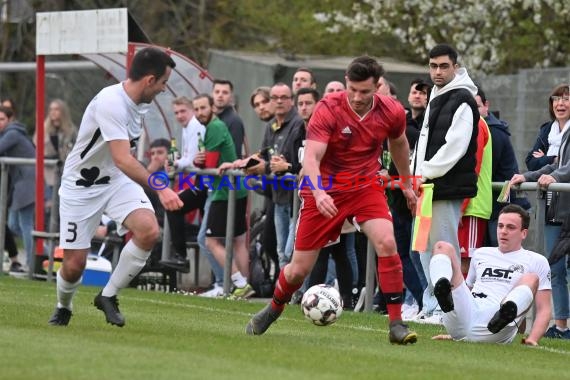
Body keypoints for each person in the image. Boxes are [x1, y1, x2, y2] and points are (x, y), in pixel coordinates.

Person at [245, 56, 418, 344]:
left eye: (365, 91)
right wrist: (319, 191)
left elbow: (398, 143)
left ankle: (396, 323)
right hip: (323, 188)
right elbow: (311, 157)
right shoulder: (328, 108)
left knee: (387, 242)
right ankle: (274, 308)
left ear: (378, 87)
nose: (357, 97)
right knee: (299, 268)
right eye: (353, 89)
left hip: (365, 186)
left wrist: (406, 183)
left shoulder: (392, 111)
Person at [48, 47, 183, 327]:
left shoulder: (140, 102)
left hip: (115, 181)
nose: (164, 89)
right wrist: (161, 187)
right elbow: (123, 159)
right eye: (163, 82)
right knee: (74, 267)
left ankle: (108, 296)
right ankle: (64, 306)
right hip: (81, 185)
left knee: (149, 231)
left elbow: (120, 163)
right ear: (149, 80)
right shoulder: (112, 102)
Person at [411, 43, 479, 323]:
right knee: (426, 247)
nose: (437, 72)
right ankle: (432, 306)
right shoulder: (438, 95)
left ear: (455, 67)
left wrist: (423, 172)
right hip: (428, 188)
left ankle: (447, 310)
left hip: (444, 187)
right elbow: (426, 143)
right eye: (433, 66)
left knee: (443, 247)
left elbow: (456, 147)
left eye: (443, 66)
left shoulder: (462, 98)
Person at [429, 204, 551, 345]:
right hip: (467, 312)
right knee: (442, 247)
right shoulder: (481, 253)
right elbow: (466, 289)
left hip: (494, 325)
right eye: (500, 226)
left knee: (532, 278)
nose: (503, 231)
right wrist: (459, 331)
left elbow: (544, 309)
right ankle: (443, 294)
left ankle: (504, 314)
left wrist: (532, 339)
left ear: (523, 233)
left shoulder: (537, 261)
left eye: (510, 227)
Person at [511, 83, 570, 339]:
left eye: (566, 99)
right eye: (556, 98)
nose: (560, 103)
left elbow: (562, 167)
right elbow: (537, 163)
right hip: (552, 205)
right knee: (553, 266)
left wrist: (555, 169)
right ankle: (561, 326)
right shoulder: (548, 130)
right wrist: (525, 176)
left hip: (567, 204)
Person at [193, 94, 254, 298]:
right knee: (238, 241)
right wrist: (200, 162)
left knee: (210, 241)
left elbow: (210, 165)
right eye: (197, 109)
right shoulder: (214, 126)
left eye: (203, 108)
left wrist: (199, 163)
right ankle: (244, 286)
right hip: (237, 189)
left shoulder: (215, 127)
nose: (200, 112)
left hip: (225, 191)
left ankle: (238, 283)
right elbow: (210, 162)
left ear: (212, 108)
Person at [475, 88, 529, 246]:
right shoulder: (486, 128)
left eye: (477, 107)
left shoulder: (494, 132)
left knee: (501, 253)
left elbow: (483, 170)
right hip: (493, 204)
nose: (474, 112)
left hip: (501, 206)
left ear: (486, 106)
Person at [160, 96, 208, 273]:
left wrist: (176, 163)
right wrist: (179, 162)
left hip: (204, 181)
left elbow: (192, 160)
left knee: (174, 205)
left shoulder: (195, 125)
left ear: (192, 110)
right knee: (207, 235)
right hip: (198, 180)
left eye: (183, 111)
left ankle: (181, 256)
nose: (179, 116)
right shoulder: (187, 127)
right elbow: (188, 158)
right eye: (176, 113)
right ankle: (218, 279)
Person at [0, 105, 35, 272]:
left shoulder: (12, 133)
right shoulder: (8, 133)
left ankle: (32, 262)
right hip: (19, 183)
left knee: (25, 224)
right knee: (13, 225)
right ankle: (38, 250)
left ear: (10, 120)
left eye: (1, 119)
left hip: (27, 182)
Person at [34, 99, 77, 225]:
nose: (53, 112)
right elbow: (37, 144)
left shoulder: (70, 130)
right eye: (51, 109)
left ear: (62, 112)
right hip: (47, 174)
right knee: (47, 208)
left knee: (58, 208)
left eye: (56, 109)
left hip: (64, 173)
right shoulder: (45, 128)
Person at [212, 79, 245, 158]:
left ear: (231, 97)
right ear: (212, 94)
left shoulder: (234, 121)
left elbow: (234, 153)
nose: (220, 95)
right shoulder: (212, 118)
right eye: (217, 92)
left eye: (225, 92)